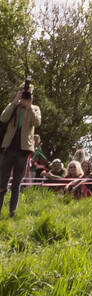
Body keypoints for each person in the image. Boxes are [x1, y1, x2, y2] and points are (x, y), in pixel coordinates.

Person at [0, 80, 42, 217]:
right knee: (2, 181)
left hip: (23, 151)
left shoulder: (35, 108)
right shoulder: (13, 106)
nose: (25, 94)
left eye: (28, 92)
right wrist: (14, 102)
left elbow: (37, 122)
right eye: (24, 92)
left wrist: (29, 106)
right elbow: (3, 118)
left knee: (17, 183)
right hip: (8, 148)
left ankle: (12, 212)